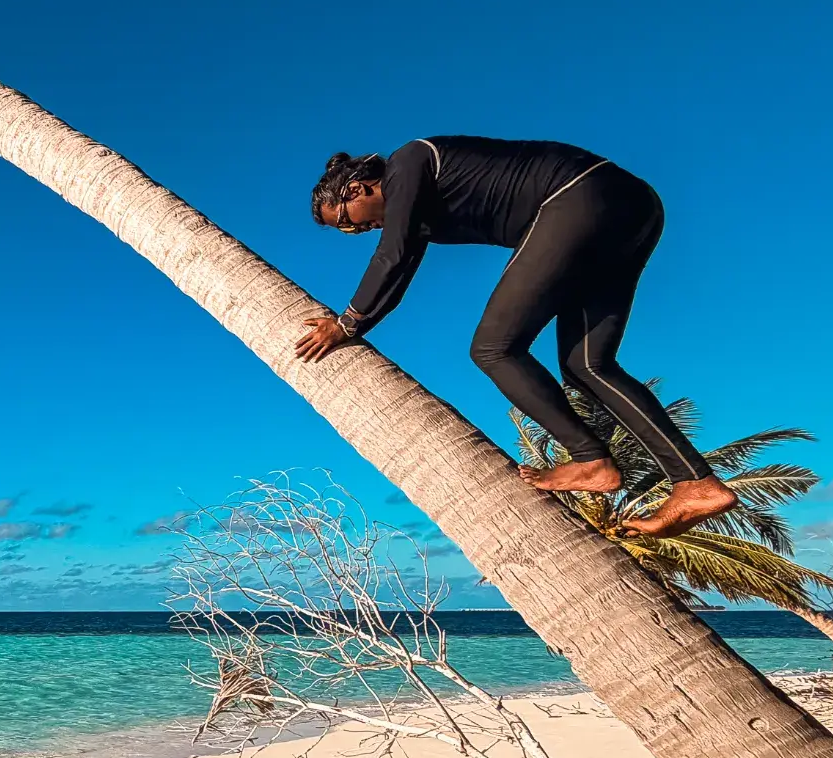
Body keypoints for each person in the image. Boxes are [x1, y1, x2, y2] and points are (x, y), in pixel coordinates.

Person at [297, 136, 739, 537]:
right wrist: (356, 319)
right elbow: (403, 259)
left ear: (355, 189)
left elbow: (392, 254)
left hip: (577, 198)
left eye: (347, 224)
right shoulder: (416, 210)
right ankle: (696, 484)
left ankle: (590, 458)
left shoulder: (408, 161)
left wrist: (346, 324)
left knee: (494, 347)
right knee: (587, 366)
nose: (356, 232)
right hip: (633, 207)